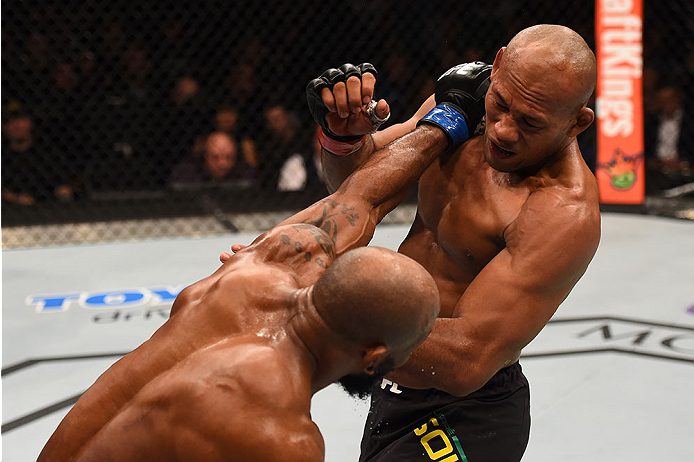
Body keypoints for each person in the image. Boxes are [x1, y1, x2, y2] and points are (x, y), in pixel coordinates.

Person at [37, 115, 444, 461]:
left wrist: (445, 121)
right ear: (374, 357)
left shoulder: (266, 265)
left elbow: (361, 197)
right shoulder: (281, 436)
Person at [305, 24, 601, 461]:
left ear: (577, 123)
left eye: (530, 122)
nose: (502, 130)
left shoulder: (561, 210)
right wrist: (345, 138)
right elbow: (360, 185)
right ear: (497, 65)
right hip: (394, 384)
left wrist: (324, 317)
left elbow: (468, 356)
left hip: (470, 413)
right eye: (500, 103)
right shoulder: (464, 96)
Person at [168, 131, 257, 190]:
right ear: (206, 157)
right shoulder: (186, 172)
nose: (223, 164)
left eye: (229, 157)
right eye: (215, 157)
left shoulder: (245, 171)